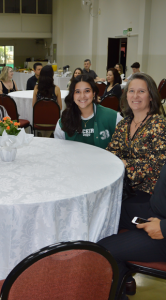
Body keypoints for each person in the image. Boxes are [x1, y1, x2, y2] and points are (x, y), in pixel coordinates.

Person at [98, 163, 166, 300]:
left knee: (103, 252)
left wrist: (163, 228)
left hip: (163, 231)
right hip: (155, 210)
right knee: (103, 214)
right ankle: (124, 278)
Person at [107, 73, 166, 202]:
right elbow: (112, 152)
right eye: (131, 91)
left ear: (151, 96)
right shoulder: (124, 123)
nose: (135, 96)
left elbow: (158, 166)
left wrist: (125, 164)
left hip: (149, 194)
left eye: (141, 91)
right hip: (122, 188)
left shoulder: (159, 125)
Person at [54, 74, 122, 149]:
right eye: (77, 92)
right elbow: (60, 152)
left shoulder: (114, 118)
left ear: (94, 93)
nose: (82, 96)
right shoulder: (63, 122)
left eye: (87, 91)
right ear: (72, 95)